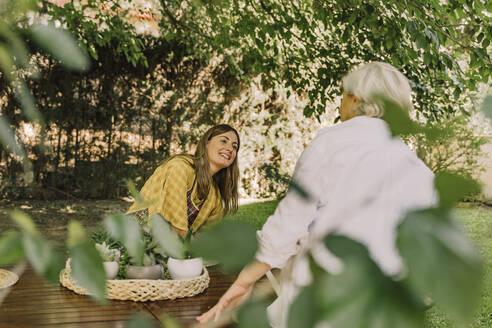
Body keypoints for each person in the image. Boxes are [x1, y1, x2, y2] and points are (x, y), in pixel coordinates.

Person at [197, 62, 437, 327]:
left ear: (356, 97)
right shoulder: (420, 172)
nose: (340, 102)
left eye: (343, 94)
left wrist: (243, 283)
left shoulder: (330, 145)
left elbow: (286, 229)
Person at [126, 124, 240, 237]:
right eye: (224, 141)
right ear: (206, 143)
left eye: (234, 147)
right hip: (135, 234)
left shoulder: (215, 198)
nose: (230, 149)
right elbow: (177, 230)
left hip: (167, 246)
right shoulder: (180, 167)